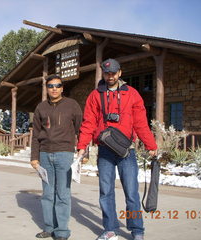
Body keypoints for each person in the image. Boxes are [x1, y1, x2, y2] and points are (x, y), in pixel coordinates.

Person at [77, 59, 157, 240]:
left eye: (113, 73)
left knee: (131, 193)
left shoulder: (133, 94)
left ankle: (137, 230)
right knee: (106, 192)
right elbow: (88, 123)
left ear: (120, 73)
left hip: (127, 151)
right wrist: (82, 146)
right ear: (103, 74)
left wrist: (150, 145)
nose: (110, 76)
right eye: (107, 73)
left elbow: (140, 123)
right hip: (105, 150)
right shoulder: (95, 95)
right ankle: (110, 229)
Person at [30, 75, 83, 240]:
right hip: (45, 155)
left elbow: (81, 129)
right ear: (47, 88)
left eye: (57, 85)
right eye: (51, 85)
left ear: (62, 88)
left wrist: (83, 152)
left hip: (64, 154)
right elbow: (36, 135)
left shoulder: (72, 105)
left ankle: (61, 231)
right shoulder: (41, 107)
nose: (54, 88)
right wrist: (34, 157)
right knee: (47, 194)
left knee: (63, 194)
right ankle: (49, 228)